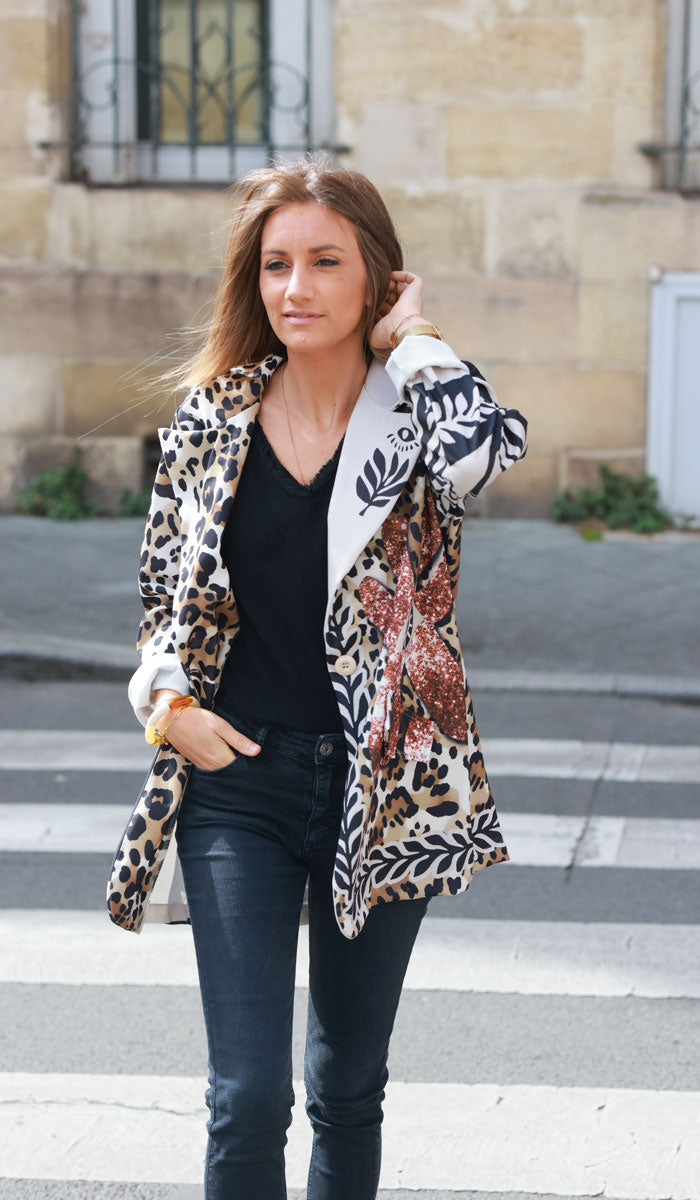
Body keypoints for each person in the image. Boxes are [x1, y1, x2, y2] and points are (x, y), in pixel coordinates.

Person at [106, 156, 528, 1199]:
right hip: (237, 780)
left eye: (324, 263)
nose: (294, 289)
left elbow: (485, 457)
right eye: (275, 265)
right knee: (246, 1094)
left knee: (346, 1087)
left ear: (374, 276)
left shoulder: (418, 416)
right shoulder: (212, 421)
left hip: (382, 783)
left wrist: (417, 340)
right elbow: (165, 602)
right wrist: (169, 711)